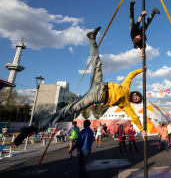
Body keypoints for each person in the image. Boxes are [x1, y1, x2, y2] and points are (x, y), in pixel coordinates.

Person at [14, 27, 146, 146]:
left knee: (68, 110)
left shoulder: (125, 105)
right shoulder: (126, 87)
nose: (135, 97)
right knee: (97, 63)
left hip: (95, 96)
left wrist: (143, 130)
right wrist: (142, 69)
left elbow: (134, 117)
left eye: (136, 100)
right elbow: (131, 74)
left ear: (134, 101)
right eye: (137, 96)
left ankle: (32, 129)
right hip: (99, 84)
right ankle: (91, 38)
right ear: (135, 93)